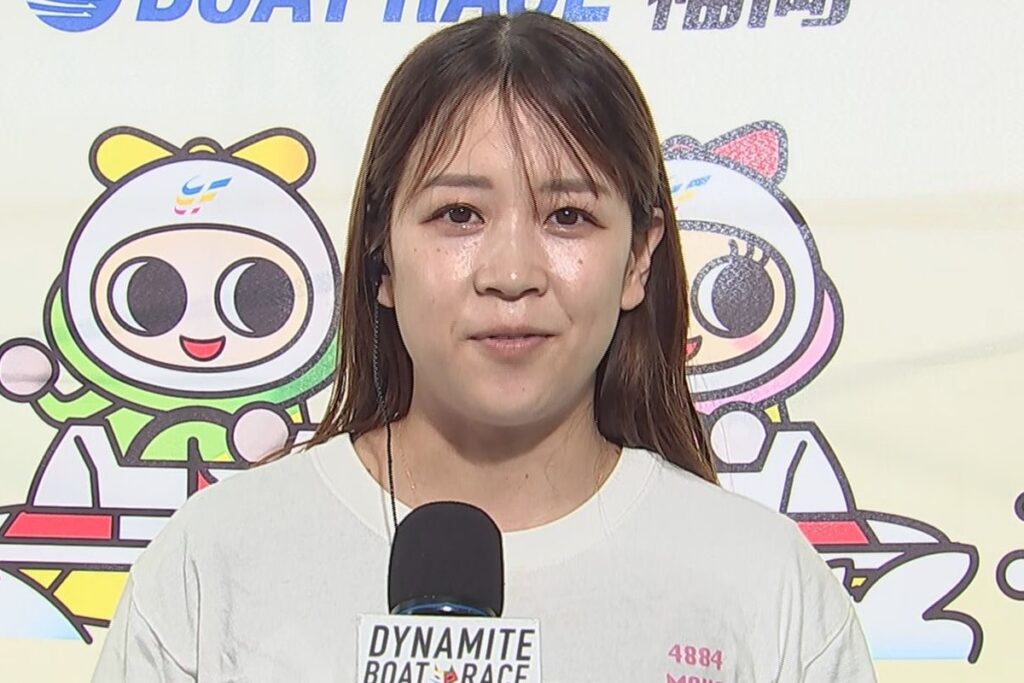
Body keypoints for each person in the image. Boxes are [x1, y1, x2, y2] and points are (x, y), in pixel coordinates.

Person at [93, 10, 877, 682]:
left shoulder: (764, 585)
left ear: (639, 256)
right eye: (459, 215)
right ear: (381, 254)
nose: (511, 273)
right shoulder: (215, 562)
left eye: (568, 217)